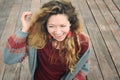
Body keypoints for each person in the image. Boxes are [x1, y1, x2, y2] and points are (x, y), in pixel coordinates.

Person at [3, 0, 91, 80]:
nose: (58, 32)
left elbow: (84, 64)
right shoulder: (37, 38)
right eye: (51, 26)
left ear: (71, 23)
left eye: (62, 26)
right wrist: (24, 30)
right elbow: (9, 59)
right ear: (45, 25)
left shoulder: (82, 42)